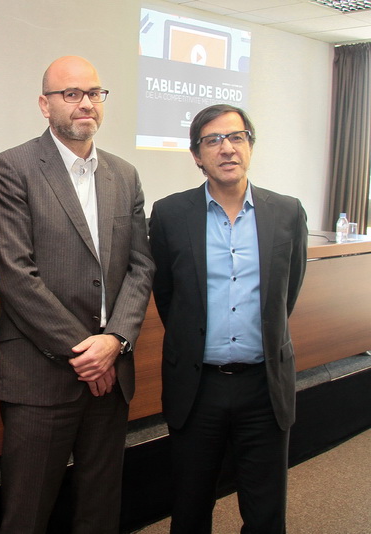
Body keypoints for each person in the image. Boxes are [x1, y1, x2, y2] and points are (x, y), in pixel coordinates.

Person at [0, 55, 155, 534]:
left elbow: (141, 268)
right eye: (71, 94)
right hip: (40, 378)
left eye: (94, 93)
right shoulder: (12, 168)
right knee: (27, 515)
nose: (86, 104)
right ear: (45, 104)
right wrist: (87, 352)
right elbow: (16, 275)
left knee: (100, 513)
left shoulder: (125, 175)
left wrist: (115, 341)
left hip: (110, 377)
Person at [149, 104, 308, 533]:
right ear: (197, 155)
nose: (227, 148)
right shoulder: (169, 215)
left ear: (250, 146)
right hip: (198, 388)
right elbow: (167, 295)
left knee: (265, 512)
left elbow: (285, 294)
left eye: (236, 137)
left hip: (264, 386)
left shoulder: (288, 212)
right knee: (190, 508)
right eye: (213, 140)